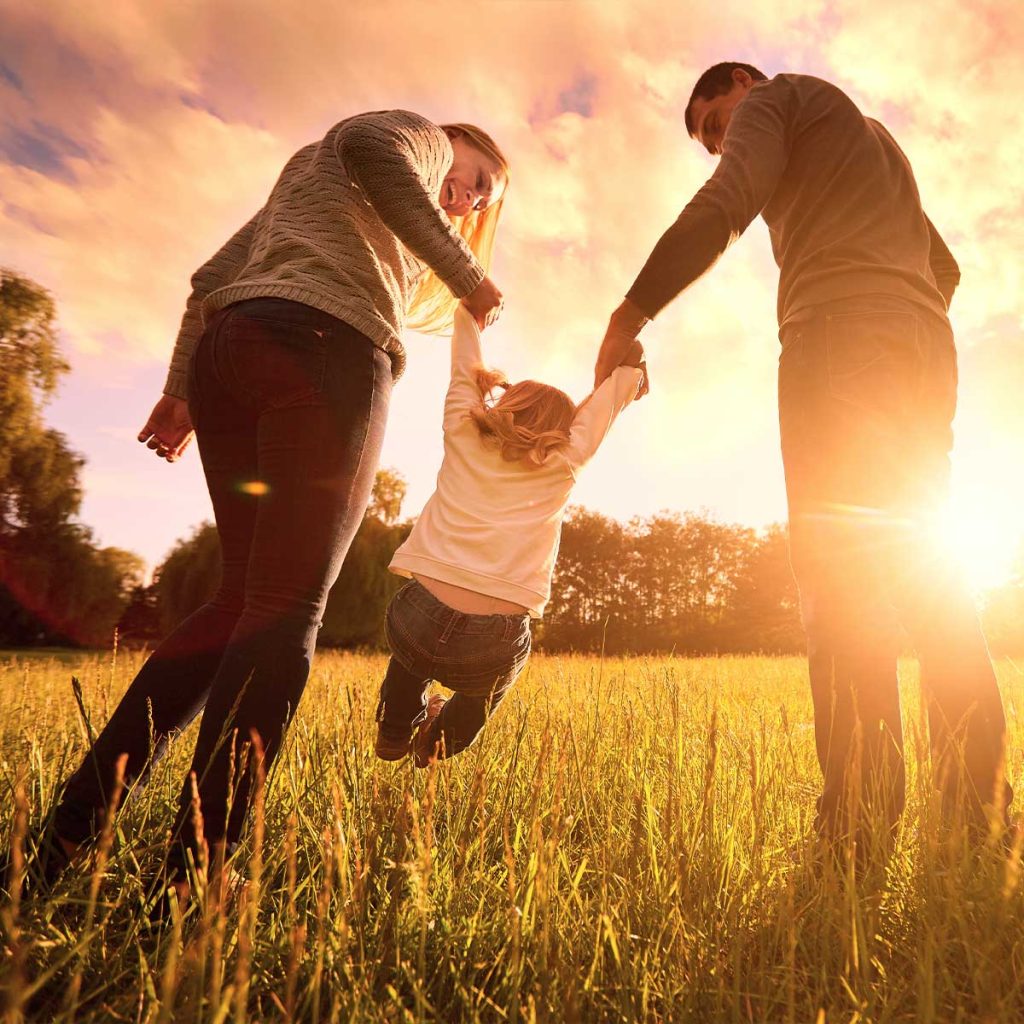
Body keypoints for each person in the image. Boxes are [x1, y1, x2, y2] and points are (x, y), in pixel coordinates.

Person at [15, 111, 510, 904]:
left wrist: (181, 390)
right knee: (285, 612)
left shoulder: (312, 187)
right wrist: (466, 273)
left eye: (481, 204)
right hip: (327, 349)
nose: (470, 200)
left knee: (237, 603)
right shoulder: (415, 135)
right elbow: (371, 144)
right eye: (478, 180)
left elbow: (210, 280)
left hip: (235, 352)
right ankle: (196, 879)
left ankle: (58, 844)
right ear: (459, 143)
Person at [593, 63, 1010, 842]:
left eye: (719, 124)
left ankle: (857, 823)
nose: (722, 145)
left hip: (837, 339)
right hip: (924, 347)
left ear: (744, 85)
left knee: (841, 577)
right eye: (712, 140)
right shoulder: (872, 138)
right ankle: (979, 818)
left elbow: (726, 203)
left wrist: (631, 312)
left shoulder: (778, 99)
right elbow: (943, 266)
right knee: (931, 576)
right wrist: (895, 311)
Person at [374, 305, 646, 766]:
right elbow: (604, 409)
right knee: (485, 691)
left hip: (417, 614)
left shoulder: (463, 430)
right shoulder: (565, 461)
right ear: (564, 430)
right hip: (493, 638)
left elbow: (464, 368)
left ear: (505, 404)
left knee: (411, 657)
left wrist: (469, 313)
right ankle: (438, 744)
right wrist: (630, 373)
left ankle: (396, 729)